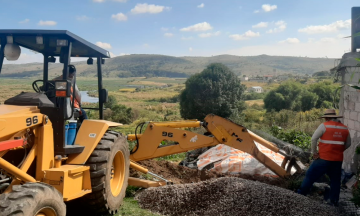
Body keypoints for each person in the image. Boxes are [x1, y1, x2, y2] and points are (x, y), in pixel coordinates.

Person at [297, 109, 351, 206]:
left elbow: (313, 139)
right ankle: (334, 201)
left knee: (310, 175)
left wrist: (314, 153)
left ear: (326, 118)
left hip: (323, 159)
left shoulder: (324, 126)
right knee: (335, 180)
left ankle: (301, 195)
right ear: (335, 117)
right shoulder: (344, 128)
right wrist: (339, 151)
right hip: (337, 160)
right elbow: (348, 144)